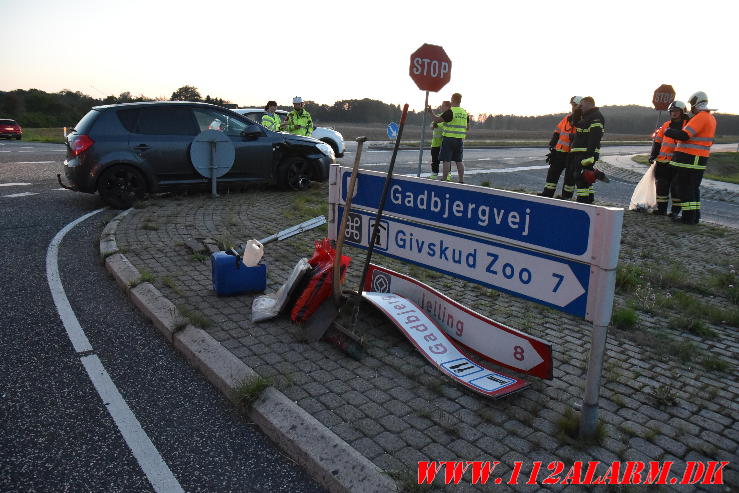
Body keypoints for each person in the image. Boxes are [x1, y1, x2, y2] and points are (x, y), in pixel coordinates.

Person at [664, 91, 717, 225]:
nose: (691, 108)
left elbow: (685, 135)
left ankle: (688, 218)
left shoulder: (701, 117)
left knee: (684, 188)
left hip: (689, 159)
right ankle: (694, 217)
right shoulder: (710, 118)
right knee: (692, 188)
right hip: (698, 159)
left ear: (696, 103)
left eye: (691, 105)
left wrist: (668, 131)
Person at [648, 100, 689, 216]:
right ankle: (662, 210)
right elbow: (658, 141)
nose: (674, 113)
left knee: (676, 188)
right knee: (661, 186)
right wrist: (653, 155)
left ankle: (675, 212)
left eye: (676, 111)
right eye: (672, 111)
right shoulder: (666, 125)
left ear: (682, 112)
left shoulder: (687, 125)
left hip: (678, 162)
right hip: (663, 161)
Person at [540, 96, 582, 198]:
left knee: (569, 177)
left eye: (575, 105)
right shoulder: (567, 118)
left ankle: (566, 197)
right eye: (572, 105)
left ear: (581, 106)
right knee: (552, 173)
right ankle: (547, 194)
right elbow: (558, 130)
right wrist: (553, 140)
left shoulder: (583, 120)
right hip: (560, 152)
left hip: (573, 154)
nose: (573, 107)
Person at [568, 96, 608, 203]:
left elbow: (595, 137)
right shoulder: (586, 116)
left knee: (580, 177)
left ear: (589, 103)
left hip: (585, 152)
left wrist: (589, 155)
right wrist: (577, 111)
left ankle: (583, 201)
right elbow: (574, 123)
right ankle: (589, 200)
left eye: (582, 105)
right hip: (581, 151)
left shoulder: (596, 117)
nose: (581, 107)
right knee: (586, 177)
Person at [428, 92, 469, 183]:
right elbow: (467, 127)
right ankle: (461, 180)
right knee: (459, 160)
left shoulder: (451, 111)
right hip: (460, 139)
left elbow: (437, 120)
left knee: (446, 160)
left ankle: (444, 179)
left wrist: (431, 112)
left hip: (449, 138)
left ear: (452, 100)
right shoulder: (464, 112)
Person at [428, 100, 451, 179]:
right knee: (435, 160)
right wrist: (433, 126)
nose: (441, 107)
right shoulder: (438, 116)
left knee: (446, 160)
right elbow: (431, 126)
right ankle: (434, 174)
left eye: (443, 105)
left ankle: (448, 175)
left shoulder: (449, 117)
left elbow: (446, 127)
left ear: (448, 107)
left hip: (444, 143)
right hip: (435, 143)